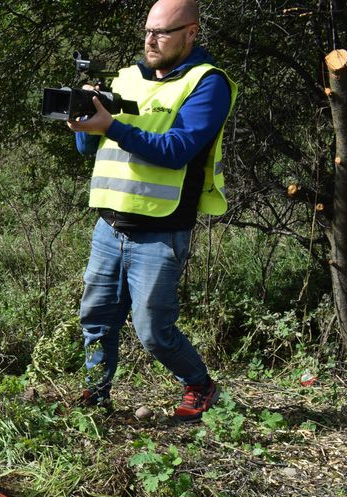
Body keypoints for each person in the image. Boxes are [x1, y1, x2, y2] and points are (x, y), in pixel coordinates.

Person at [67, 0, 236, 422]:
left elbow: (178, 150)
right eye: (148, 31)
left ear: (191, 32)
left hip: (162, 230)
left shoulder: (208, 83)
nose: (150, 40)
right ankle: (97, 395)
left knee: (154, 332)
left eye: (162, 32)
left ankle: (200, 384)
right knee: (96, 319)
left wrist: (110, 126)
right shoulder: (127, 77)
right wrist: (82, 124)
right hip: (109, 225)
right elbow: (93, 147)